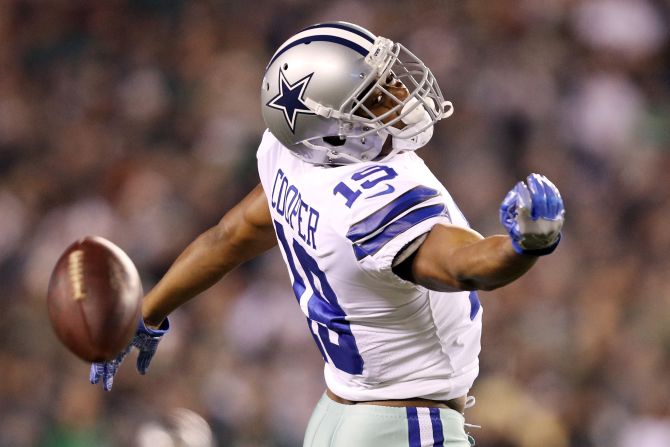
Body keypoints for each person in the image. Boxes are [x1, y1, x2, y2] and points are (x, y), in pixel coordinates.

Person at [90, 21, 565, 447]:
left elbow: (229, 237)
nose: (401, 95)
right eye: (375, 98)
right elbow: (464, 266)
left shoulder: (292, 157)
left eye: (388, 82)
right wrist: (525, 245)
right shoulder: (375, 199)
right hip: (404, 426)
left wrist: (150, 310)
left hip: (337, 415)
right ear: (330, 130)